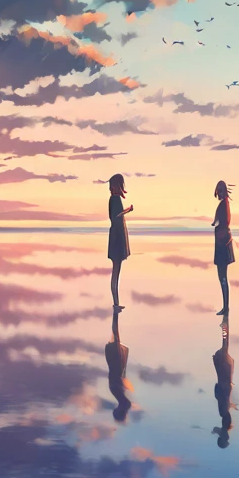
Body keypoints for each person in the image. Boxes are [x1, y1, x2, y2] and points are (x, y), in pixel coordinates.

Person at [107, 173, 132, 310]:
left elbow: (115, 216)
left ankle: (116, 302)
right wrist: (127, 210)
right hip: (117, 236)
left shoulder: (113, 199)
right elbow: (116, 216)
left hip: (116, 234)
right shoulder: (115, 199)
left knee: (116, 269)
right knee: (116, 269)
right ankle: (115, 303)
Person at [104, 308, 133, 422]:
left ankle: (115, 312)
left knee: (115, 335)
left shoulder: (117, 394)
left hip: (115, 363)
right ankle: (115, 313)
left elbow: (114, 377)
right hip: (117, 365)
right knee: (116, 335)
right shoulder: (120, 397)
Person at [211, 180, 235, 316]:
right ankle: (225, 306)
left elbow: (220, 222)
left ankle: (226, 307)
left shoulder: (223, 205)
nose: (218, 195)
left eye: (218, 192)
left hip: (222, 244)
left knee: (222, 277)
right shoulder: (225, 204)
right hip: (224, 242)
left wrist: (214, 223)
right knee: (223, 277)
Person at [212, 316, 234, 448]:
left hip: (224, 380)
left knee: (224, 347)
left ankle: (225, 325)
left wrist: (217, 432)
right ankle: (225, 325)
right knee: (224, 346)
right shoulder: (224, 412)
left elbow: (218, 429)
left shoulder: (224, 413)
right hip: (223, 380)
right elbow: (223, 395)